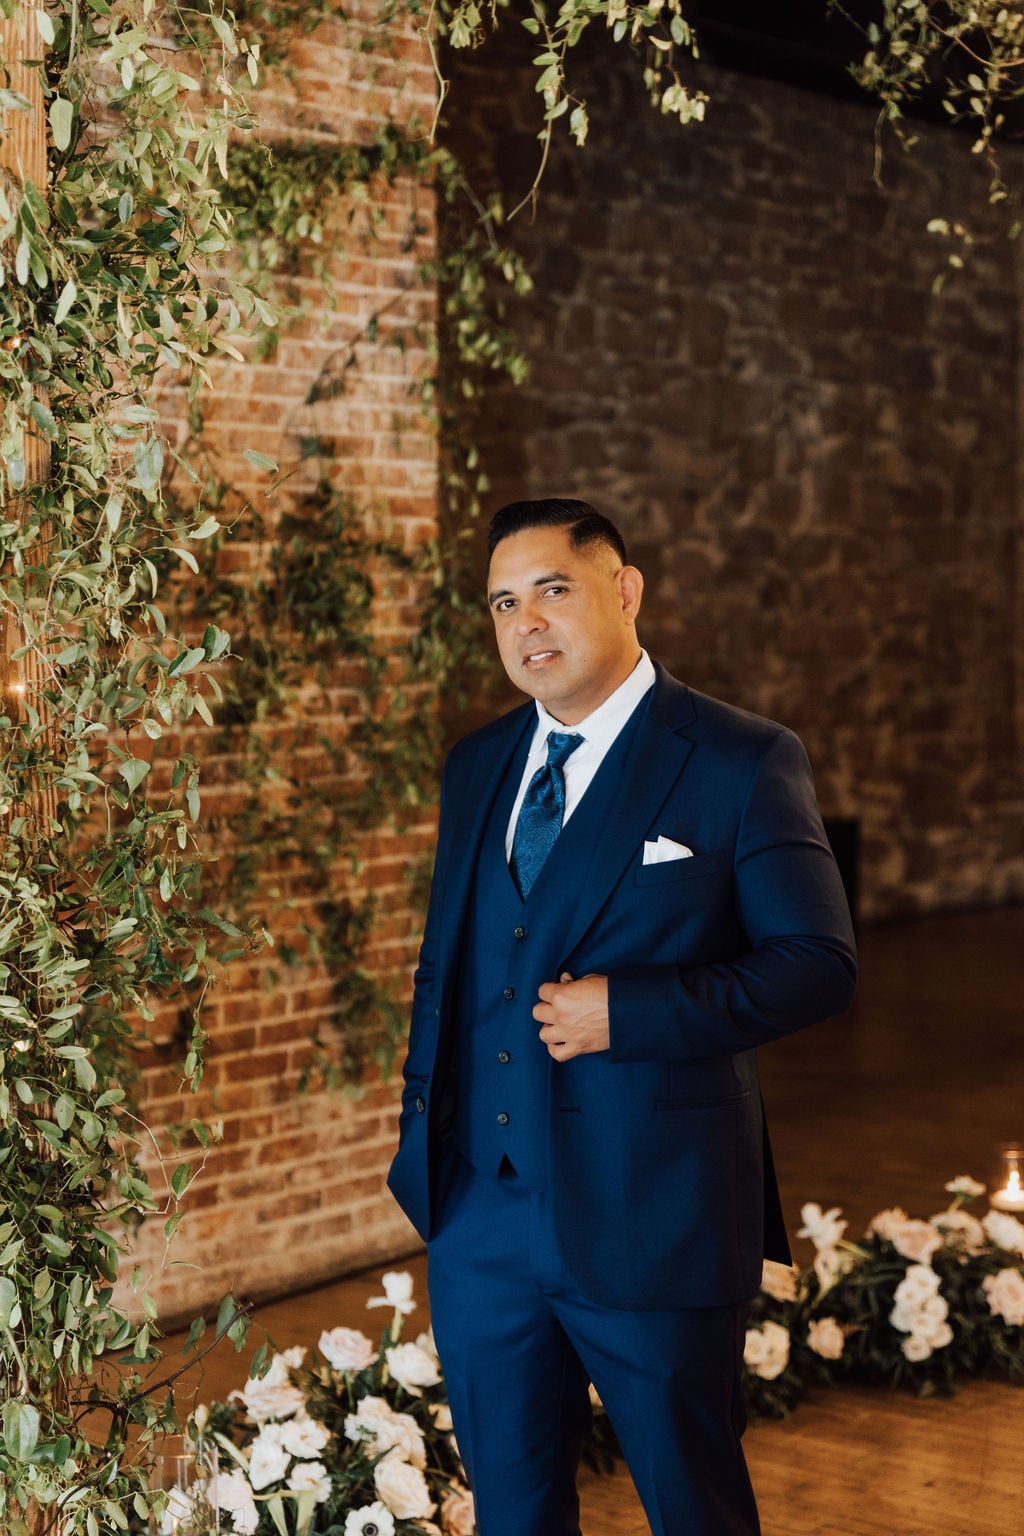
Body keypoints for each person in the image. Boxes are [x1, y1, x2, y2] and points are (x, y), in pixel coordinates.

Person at [387, 498, 856, 1536]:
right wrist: (429, 1147)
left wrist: (632, 1011)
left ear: (624, 589)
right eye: (503, 603)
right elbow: (452, 962)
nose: (527, 623)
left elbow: (818, 965)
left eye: (552, 590)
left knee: (693, 1510)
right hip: (481, 1217)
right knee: (512, 1515)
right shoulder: (477, 764)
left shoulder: (738, 758)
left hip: (654, 1211)